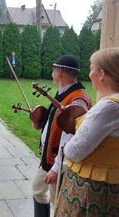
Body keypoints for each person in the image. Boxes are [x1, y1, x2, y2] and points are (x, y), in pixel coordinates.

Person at [54, 48, 119, 217]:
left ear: (102, 74)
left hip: (94, 191)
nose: (89, 74)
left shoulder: (109, 107)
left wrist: (67, 145)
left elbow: (74, 151)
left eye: (92, 68)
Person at [31, 55, 91, 217]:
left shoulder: (78, 99)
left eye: (54, 69)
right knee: (38, 190)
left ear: (60, 72)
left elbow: (72, 137)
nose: (52, 73)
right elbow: (56, 122)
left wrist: (57, 168)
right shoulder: (64, 92)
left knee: (58, 202)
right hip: (49, 155)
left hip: (60, 162)